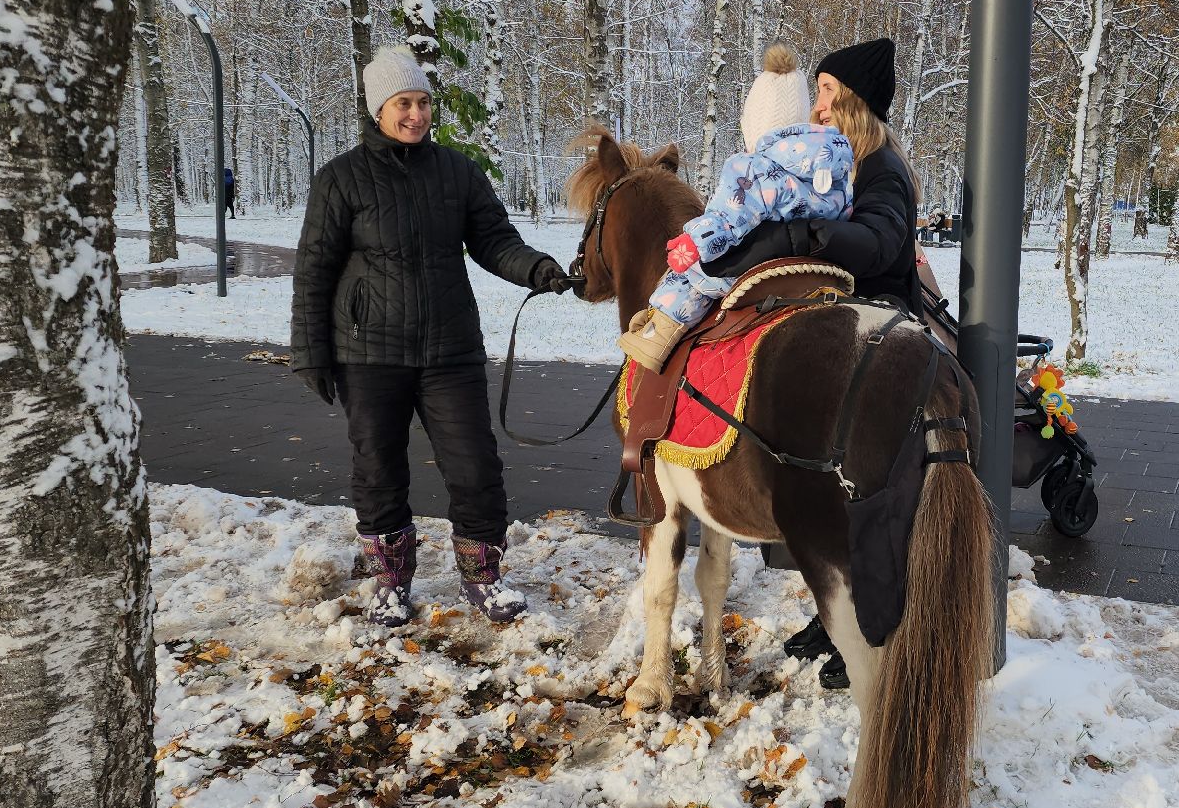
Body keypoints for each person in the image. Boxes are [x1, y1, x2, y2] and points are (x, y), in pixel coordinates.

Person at [289, 46, 573, 628]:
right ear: (377, 109)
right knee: (378, 468)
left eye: (422, 102)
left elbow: (494, 240)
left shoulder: (458, 173)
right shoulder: (340, 179)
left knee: (474, 466)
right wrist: (311, 351)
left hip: (449, 348)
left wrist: (537, 268)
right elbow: (314, 267)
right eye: (403, 104)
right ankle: (391, 583)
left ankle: (484, 578)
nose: (416, 114)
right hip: (368, 353)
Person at [698, 36, 919, 688]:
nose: (815, 103)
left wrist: (808, 231)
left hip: (878, 331)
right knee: (820, 486)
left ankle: (871, 630)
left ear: (850, 100)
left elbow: (880, 243)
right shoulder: (836, 161)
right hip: (833, 328)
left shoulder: (881, 169)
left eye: (824, 90)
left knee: (865, 496)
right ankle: (835, 615)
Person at [617, 44, 855, 370]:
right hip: (813, 267)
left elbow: (727, 219)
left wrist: (692, 243)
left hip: (759, 269)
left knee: (689, 275)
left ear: (756, 123)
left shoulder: (752, 167)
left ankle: (658, 334)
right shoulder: (834, 166)